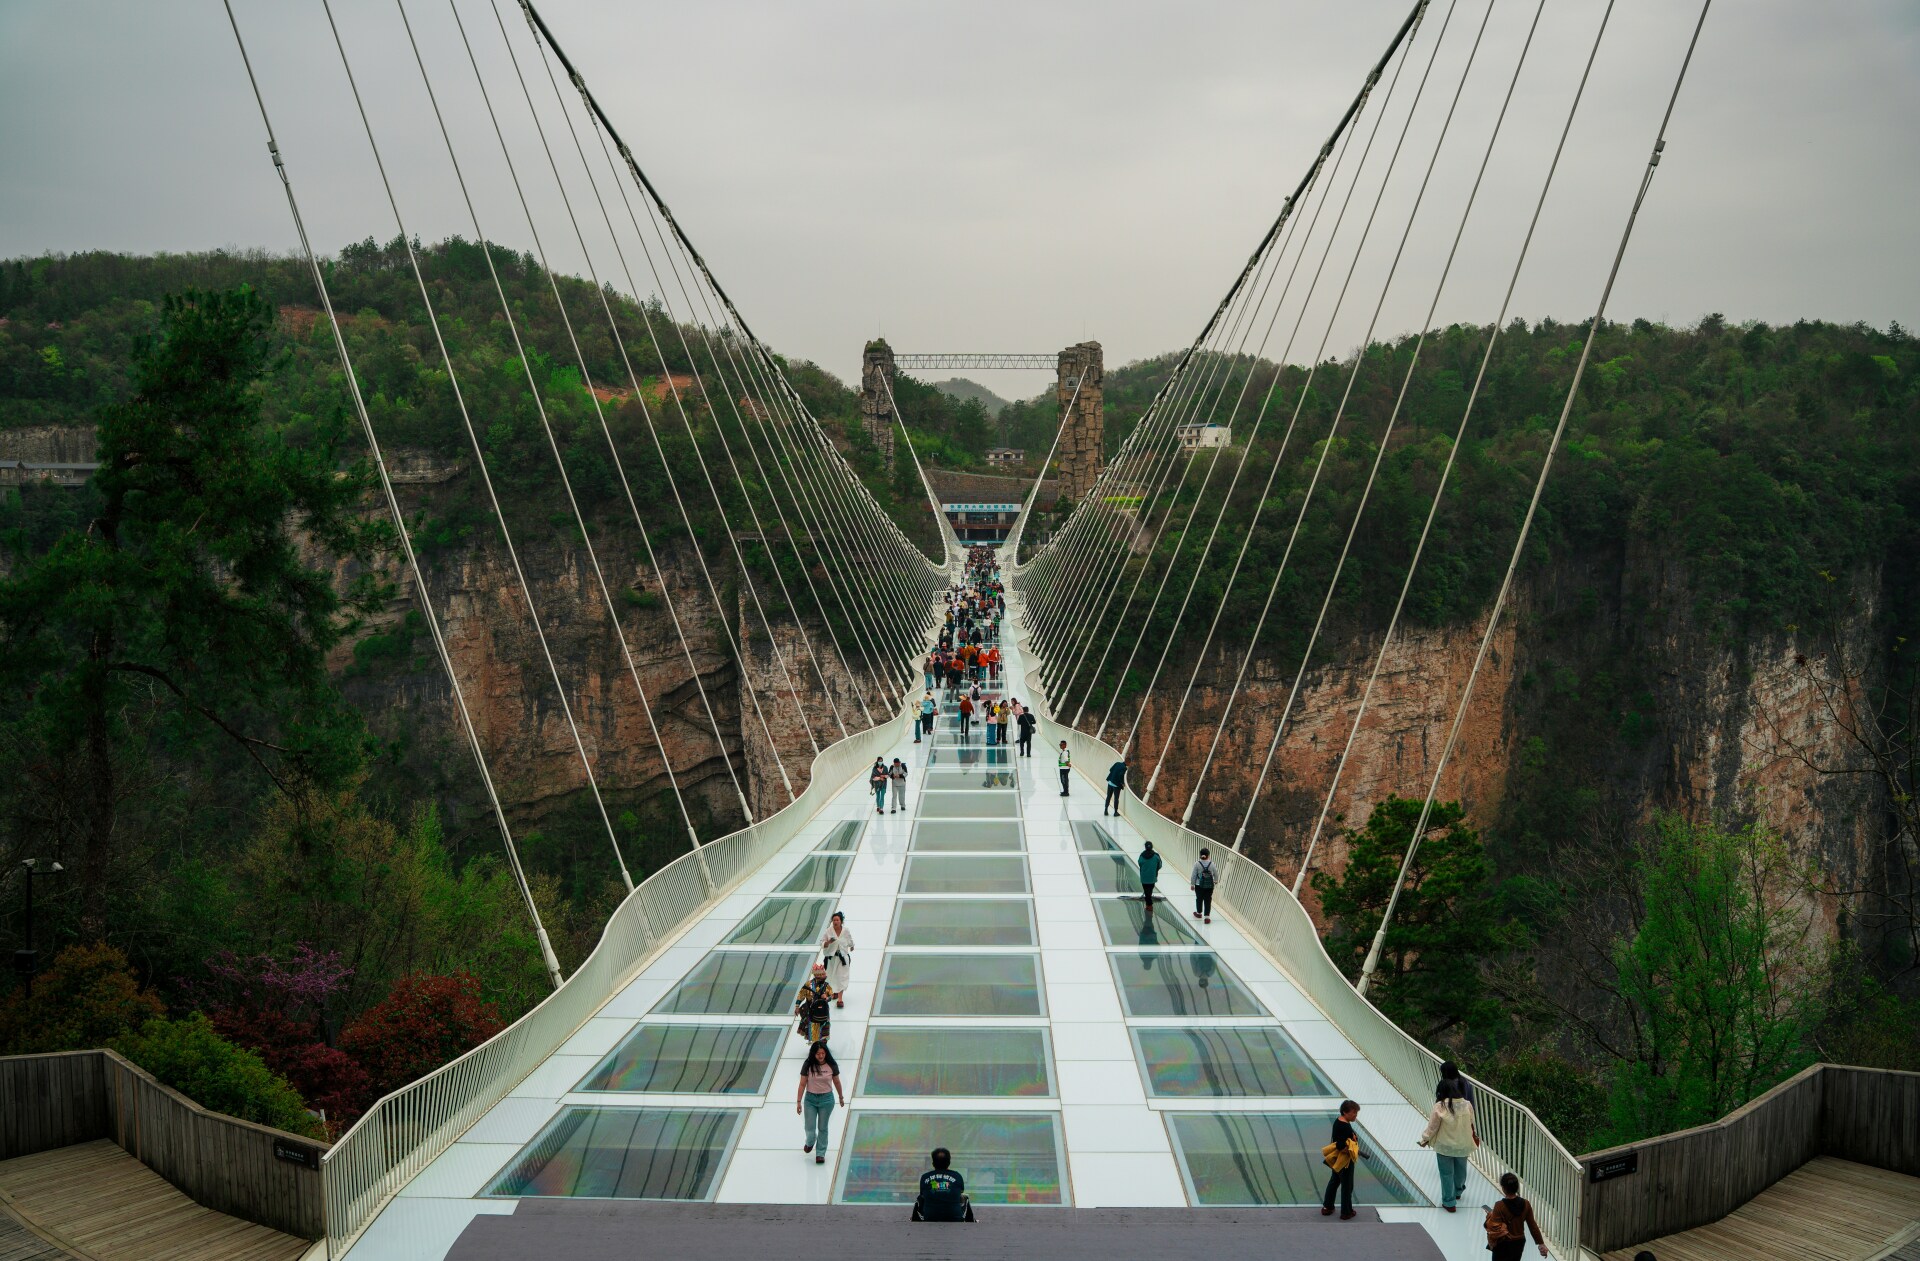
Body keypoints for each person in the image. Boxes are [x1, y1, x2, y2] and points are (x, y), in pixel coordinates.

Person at [1417, 1079, 1479, 1211]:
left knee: (1446, 1173)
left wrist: (1425, 1139)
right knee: (1461, 1170)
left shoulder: (1440, 1106)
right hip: (1462, 1144)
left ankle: (1449, 1202)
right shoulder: (1467, 1104)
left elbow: (1433, 1127)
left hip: (1444, 1146)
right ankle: (1458, 1191)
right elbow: (1471, 1123)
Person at [796, 1040, 844, 1164]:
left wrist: (841, 1097)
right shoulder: (808, 1064)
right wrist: (798, 1101)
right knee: (810, 1127)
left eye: (823, 1053)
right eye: (818, 1054)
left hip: (826, 1100)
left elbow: (837, 1082)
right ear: (813, 1054)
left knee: (823, 1127)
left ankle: (820, 1153)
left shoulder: (831, 1065)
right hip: (810, 1100)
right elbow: (802, 1084)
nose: (821, 1056)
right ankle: (810, 1141)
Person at [1320, 1100, 1369, 1220]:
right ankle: (1346, 1212)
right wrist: (1352, 1150)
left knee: (1334, 1182)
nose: (1355, 1115)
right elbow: (1341, 1145)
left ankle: (1327, 1207)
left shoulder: (1338, 1121)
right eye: (1354, 1113)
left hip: (1337, 1159)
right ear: (1345, 1112)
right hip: (1345, 1161)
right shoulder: (1345, 1126)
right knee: (1347, 1186)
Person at [1484, 1172, 1548, 1258]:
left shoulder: (1499, 1205)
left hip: (1502, 1242)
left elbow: (1494, 1226)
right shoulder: (1526, 1204)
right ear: (1517, 1187)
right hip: (1519, 1242)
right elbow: (1533, 1226)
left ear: (1503, 1188)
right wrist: (1541, 1244)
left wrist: (1490, 1214)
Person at [911, 1147, 975, 1222]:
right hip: (954, 1217)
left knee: (920, 1198)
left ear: (933, 1163)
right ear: (949, 1162)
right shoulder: (957, 1176)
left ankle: (915, 1218)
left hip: (930, 1217)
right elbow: (961, 1191)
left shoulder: (925, 1177)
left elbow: (922, 1194)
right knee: (965, 1197)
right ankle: (970, 1220)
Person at [819, 911, 854, 1008]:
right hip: (831, 958)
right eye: (834, 920)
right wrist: (829, 942)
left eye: (837, 920)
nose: (835, 922)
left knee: (842, 977)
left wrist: (852, 946)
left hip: (843, 958)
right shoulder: (828, 931)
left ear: (841, 921)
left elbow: (850, 940)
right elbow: (822, 943)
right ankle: (834, 992)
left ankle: (840, 999)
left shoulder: (845, 931)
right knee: (831, 977)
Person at [794, 962, 834, 1043]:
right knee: (813, 1030)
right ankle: (816, 1045)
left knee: (824, 1030)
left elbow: (831, 995)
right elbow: (801, 995)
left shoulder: (826, 985)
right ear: (817, 975)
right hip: (811, 1011)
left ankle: (823, 1044)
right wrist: (797, 1006)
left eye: (824, 974)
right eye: (822, 974)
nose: (824, 976)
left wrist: (827, 998)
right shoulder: (808, 985)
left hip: (823, 1011)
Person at [1190, 847, 1219, 923]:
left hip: (1199, 885)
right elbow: (1216, 874)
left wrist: (1192, 884)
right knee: (1208, 900)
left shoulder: (1197, 864)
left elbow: (1193, 875)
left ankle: (1199, 913)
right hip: (1209, 886)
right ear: (1208, 855)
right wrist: (1215, 881)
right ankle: (1207, 917)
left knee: (1199, 899)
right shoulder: (1212, 864)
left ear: (1200, 855)